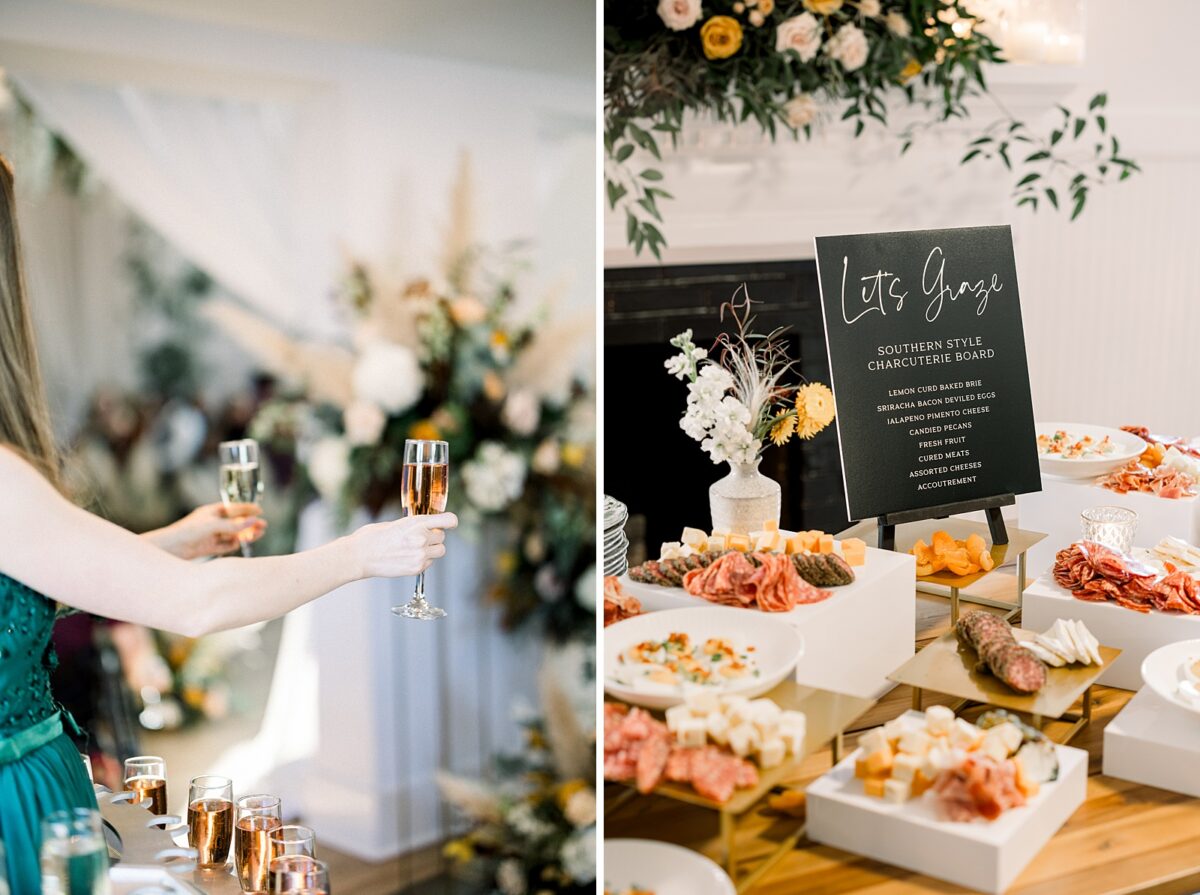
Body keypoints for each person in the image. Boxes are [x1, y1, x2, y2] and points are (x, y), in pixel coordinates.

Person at [0, 154, 457, 890]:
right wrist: (365, 553)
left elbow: (22, 589)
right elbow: (197, 603)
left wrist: (169, 543)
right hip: (16, 805)